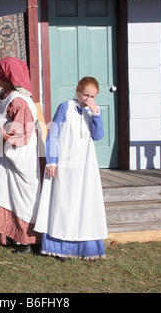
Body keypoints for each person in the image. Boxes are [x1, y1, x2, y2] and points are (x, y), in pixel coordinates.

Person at [34, 76, 108, 261]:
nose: (88, 99)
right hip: (66, 163)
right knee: (64, 203)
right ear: (77, 90)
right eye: (85, 95)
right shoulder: (65, 107)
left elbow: (98, 136)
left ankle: (86, 247)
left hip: (85, 165)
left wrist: (96, 113)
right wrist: (52, 161)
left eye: (92, 96)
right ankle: (60, 246)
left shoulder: (92, 111)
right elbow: (55, 134)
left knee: (85, 204)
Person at [0, 57, 41, 254]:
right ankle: (7, 235)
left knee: (20, 194)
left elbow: (22, 132)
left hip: (17, 152)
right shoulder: (7, 95)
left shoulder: (19, 101)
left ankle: (26, 241)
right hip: (3, 151)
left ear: (5, 76)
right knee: (1, 191)